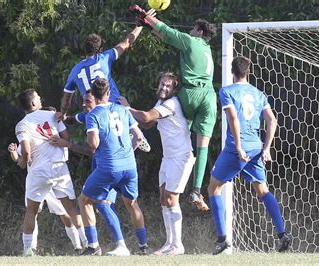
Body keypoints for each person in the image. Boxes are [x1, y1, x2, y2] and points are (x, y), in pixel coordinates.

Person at [207, 56, 291, 255]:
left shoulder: (226, 91)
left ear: (231, 71)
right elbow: (272, 121)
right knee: (263, 190)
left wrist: (238, 146)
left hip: (238, 148)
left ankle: (222, 239)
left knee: (213, 188)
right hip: (255, 147)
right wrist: (267, 148)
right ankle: (282, 234)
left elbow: (233, 118)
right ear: (249, 72)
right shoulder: (259, 93)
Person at [137, 7, 217, 210]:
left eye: (192, 28)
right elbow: (165, 36)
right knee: (203, 146)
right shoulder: (208, 50)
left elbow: (168, 32)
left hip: (190, 94)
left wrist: (146, 17)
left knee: (168, 109)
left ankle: (175, 150)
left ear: (199, 31)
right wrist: (148, 25)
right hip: (209, 96)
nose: (189, 31)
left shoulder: (191, 41)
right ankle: (197, 190)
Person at [118, 72, 195, 255]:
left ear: (174, 89)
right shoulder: (160, 103)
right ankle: (170, 244)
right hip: (168, 157)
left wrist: (127, 108)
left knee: (171, 198)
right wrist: (131, 114)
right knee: (163, 199)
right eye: (162, 84)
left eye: (168, 86)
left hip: (181, 156)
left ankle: (178, 245)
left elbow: (145, 117)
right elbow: (147, 124)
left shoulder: (171, 103)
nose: (164, 88)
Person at [51, 91, 129, 256]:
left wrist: (68, 145)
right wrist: (62, 116)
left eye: (87, 101)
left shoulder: (97, 117)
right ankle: (98, 246)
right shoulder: (90, 114)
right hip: (106, 166)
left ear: (98, 100)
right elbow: (73, 119)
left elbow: (91, 150)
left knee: (100, 203)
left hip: (110, 166)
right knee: (95, 202)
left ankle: (110, 246)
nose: (83, 104)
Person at [76, 78, 147, 256]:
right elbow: (139, 137)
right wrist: (127, 152)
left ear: (94, 93)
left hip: (109, 166)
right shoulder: (123, 109)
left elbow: (93, 144)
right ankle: (143, 246)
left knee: (84, 201)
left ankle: (94, 247)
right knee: (132, 204)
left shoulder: (93, 115)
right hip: (130, 165)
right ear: (108, 93)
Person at [55, 23, 151, 152]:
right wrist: (140, 24)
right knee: (139, 125)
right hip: (115, 106)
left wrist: (63, 113)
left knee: (97, 141)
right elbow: (127, 42)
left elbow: (67, 97)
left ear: (85, 49)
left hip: (95, 112)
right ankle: (132, 134)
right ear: (100, 49)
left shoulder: (75, 69)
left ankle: (128, 137)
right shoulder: (105, 57)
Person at [14, 89, 85, 256]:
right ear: (33, 104)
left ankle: (28, 250)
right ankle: (89, 243)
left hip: (39, 170)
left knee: (31, 210)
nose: (40, 99)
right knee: (71, 208)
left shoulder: (22, 124)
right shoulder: (52, 115)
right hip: (59, 166)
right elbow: (66, 136)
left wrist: (23, 162)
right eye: (38, 97)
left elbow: (25, 150)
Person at [7, 143, 84, 253]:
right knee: (32, 213)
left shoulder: (50, 135)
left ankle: (78, 246)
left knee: (65, 214)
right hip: (36, 181)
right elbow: (19, 159)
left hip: (53, 182)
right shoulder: (27, 137)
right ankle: (31, 248)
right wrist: (13, 152)